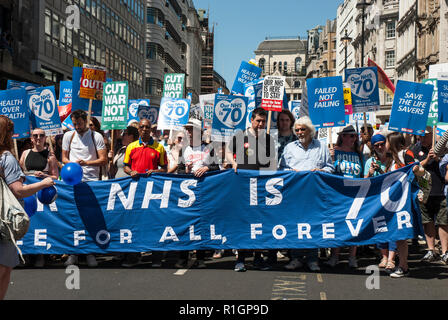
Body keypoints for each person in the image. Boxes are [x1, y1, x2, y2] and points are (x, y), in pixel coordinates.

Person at [0, 115, 55, 299]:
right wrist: (44, 183)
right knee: (4, 267)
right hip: (3, 220)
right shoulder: (7, 158)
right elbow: (19, 190)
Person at [280, 116, 334, 272]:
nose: (299, 132)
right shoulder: (289, 148)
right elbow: (282, 168)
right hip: (295, 193)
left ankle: (312, 259)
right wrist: (292, 173)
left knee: (313, 224)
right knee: (296, 225)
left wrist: (321, 171)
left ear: (310, 130)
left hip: (315, 193)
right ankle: (296, 258)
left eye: (302, 129)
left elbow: (330, 167)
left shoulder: (321, 146)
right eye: (296, 130)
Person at [226, 107, 277, 272]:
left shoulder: (267, 139)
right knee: (243, 221)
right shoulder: (240, 136)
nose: (261, 124)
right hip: (243, 184)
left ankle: (257, 257)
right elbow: (228, 151)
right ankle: (240, 258)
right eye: (258, 121)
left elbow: (272, 161)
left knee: (259, 221)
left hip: (261, 185)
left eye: (263, 121)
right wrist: (233, 163)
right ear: (251, 120)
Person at [61, 109, 108, 268]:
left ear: (86, 121)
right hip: (73, 182)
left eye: (79, 124)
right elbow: (64, 158)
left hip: (91, 182)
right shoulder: (68, 136)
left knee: (91, 217)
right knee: (74, 217)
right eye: (74, 124)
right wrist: (72, 164)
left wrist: (86, 163)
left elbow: (103, 160)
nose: (77, 127)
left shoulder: (97, 136)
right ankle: (73, 252)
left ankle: (90, 251)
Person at [174, 119, 220, 269]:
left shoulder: (208, 148)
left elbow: (216, 168)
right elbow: (179, 170)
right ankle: (183, 257)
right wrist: (186, 171)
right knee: (185, 223)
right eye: (187, 130)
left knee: (201, 224)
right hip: (187, 193)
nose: (188, 132)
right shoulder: (184, 149)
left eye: (191, 129)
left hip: (204, 191)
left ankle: (200, 257)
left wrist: (206, 169)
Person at [122, 118, 168, 267]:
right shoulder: (131, 147)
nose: (144, 129)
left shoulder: (159, 148)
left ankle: (156, 258)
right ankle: (133, 257)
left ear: (151, 129)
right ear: (139, 130)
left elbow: (165, 169)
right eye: (142, 127)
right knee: (134, 224)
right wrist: (131, 172)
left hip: (154, 193)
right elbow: (125, 167)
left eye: (147, 127)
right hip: (136, 191)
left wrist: (155, 171)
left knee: (155, 224)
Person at [385, 131, 425, 278]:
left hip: (405, 201)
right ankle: (403, 264)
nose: (385, 144)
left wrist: (416, 168)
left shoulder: (406, 153)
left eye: (387, 141)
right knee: (398, 235)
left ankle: (403, 266)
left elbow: (419, 169)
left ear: (393, 142)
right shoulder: (391, 158)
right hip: (394, 202)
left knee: (401, 234)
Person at [19, 128, 59, 268]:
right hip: (27, 194)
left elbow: (56, 177)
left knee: (41, 223)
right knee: (27, 223)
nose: (38, 138)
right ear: (31, 138)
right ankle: (26, 254)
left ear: (45, 138)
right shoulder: (25, 153)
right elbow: (19, 173)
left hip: (42, 195)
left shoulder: (50, 156)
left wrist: (44, 176)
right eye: (35, 136)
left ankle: (41, 255)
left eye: (41, 136)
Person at [326, 125, 363, 269]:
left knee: (354, 225)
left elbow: (362, 175)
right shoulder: (333, 151)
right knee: (338, 224)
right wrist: (331, 158)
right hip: (338, 194)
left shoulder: (358, 154)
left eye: (355, 136)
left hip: (355, 194)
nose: (354, 139)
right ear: (343, 136)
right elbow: (328, 172)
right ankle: (335, 255)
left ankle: (352, 256)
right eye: (351, 136)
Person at [410, 127, 448, 265]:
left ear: (432, 135)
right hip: (424, 190)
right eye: (421, 136)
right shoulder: (415, 149)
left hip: (440, 189)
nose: (423, 138)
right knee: (427, 221)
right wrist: (427, 159)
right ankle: (431, 249)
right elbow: (414, 167)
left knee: (443, 222)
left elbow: (446, 166)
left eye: (426, 135)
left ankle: (445, 251)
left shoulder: (442, 147)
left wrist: (438, 158)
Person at [364, 133, 396, 271]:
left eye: (382, 144)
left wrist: (381, 170)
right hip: (377, 200)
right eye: (377, 145)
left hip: (393, 199)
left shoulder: (393, 159)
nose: (380, 147)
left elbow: (394, 178)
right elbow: (364, 181)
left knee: (393, 228)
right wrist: (370, 172)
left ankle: (391, 258)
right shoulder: (369, 161)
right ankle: (383, 256)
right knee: (381, 228)